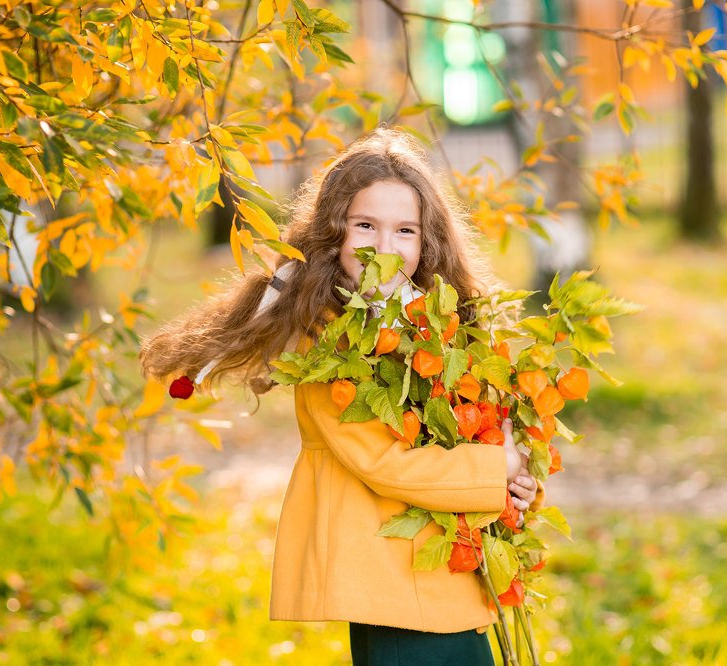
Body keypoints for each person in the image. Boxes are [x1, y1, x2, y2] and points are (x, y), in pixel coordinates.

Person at [140, 128, 541, 665]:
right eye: (365, 225)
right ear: (334, 233)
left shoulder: (435, 323)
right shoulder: (329, 343)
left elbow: (468, 428)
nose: (384, 247)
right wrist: (494, 470)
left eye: (405, 230)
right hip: (397, 585)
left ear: (427, 242)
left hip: (449, 574)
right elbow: (385, 462)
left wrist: (513, 483)